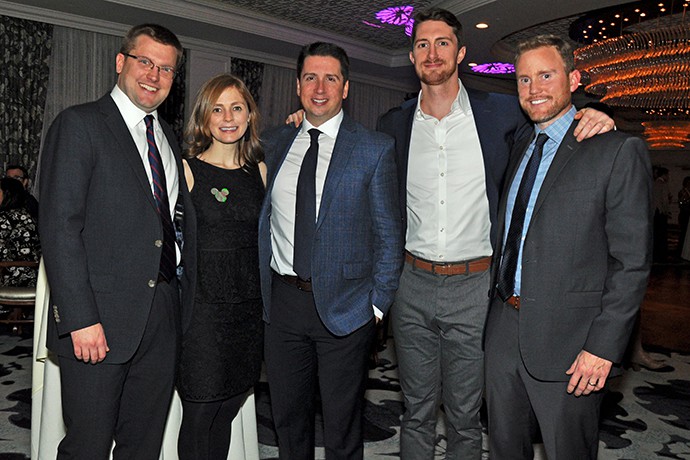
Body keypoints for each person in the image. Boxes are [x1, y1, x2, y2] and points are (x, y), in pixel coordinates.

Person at [375, 8, 614, 458]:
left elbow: (554, 112)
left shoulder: (503, 113)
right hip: (412, 283)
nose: (432, 53)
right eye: (422, 44)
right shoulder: (394, 126)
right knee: (416, 408)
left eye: (442, 42)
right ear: (411, 56)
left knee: (467, 414)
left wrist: (598, 113)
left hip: (476, 285)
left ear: (461, 53)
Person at [484, 35, 652, 459]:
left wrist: (603, 348)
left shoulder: (615, 150)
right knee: (505, 446)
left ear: (574, 78)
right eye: (524, 79)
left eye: (546, 75)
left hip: (572, 340)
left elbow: (630, 263)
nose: (534, 89)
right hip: (504, 325)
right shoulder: (520, 142)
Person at [39, 23, 196, 460]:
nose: (154, 75)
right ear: (120, 62)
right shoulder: (79, 125)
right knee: (87, 446)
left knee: (142, 445)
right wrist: (80, 319)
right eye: (145, 62)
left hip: (161, 316)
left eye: (166, 69)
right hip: (98, 320)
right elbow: (59, 228)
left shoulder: (168, 139)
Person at [258, 42, 403, 459]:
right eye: (310, 77)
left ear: (346, 87)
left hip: (347, 307)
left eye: (331, 78)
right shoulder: (273, 141)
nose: (319, 87)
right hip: (282, 306)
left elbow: (389, 235)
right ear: (298, 84)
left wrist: (375, 307)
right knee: (288, 420)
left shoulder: (374, 147)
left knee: (342, 425)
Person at [176, 73, 266, 460]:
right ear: (204, 117)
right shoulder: (186, 169)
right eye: (218, 108)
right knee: (200, 412)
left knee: (228, 409)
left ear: (249, 116)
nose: (228, 117)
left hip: (248, 312)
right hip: (202, 314)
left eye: (236, 107)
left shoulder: (260, 171)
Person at [653, 166, 672, 262]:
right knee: (662, 234)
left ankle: (655, 254)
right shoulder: (663, 184)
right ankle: (662, 255)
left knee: (656, 234)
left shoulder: (654, 183)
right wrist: (667, 211)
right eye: (667, 174)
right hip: (661, 212)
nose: (668, 177)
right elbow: (664, 200)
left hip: (654, 212)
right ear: (664, 175)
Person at [678, 176, 690, 254]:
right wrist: (685, 201)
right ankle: (680, 250)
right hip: (684, 214)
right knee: (683, 233)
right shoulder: (683, 192)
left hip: (687, 213)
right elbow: (681, 203)